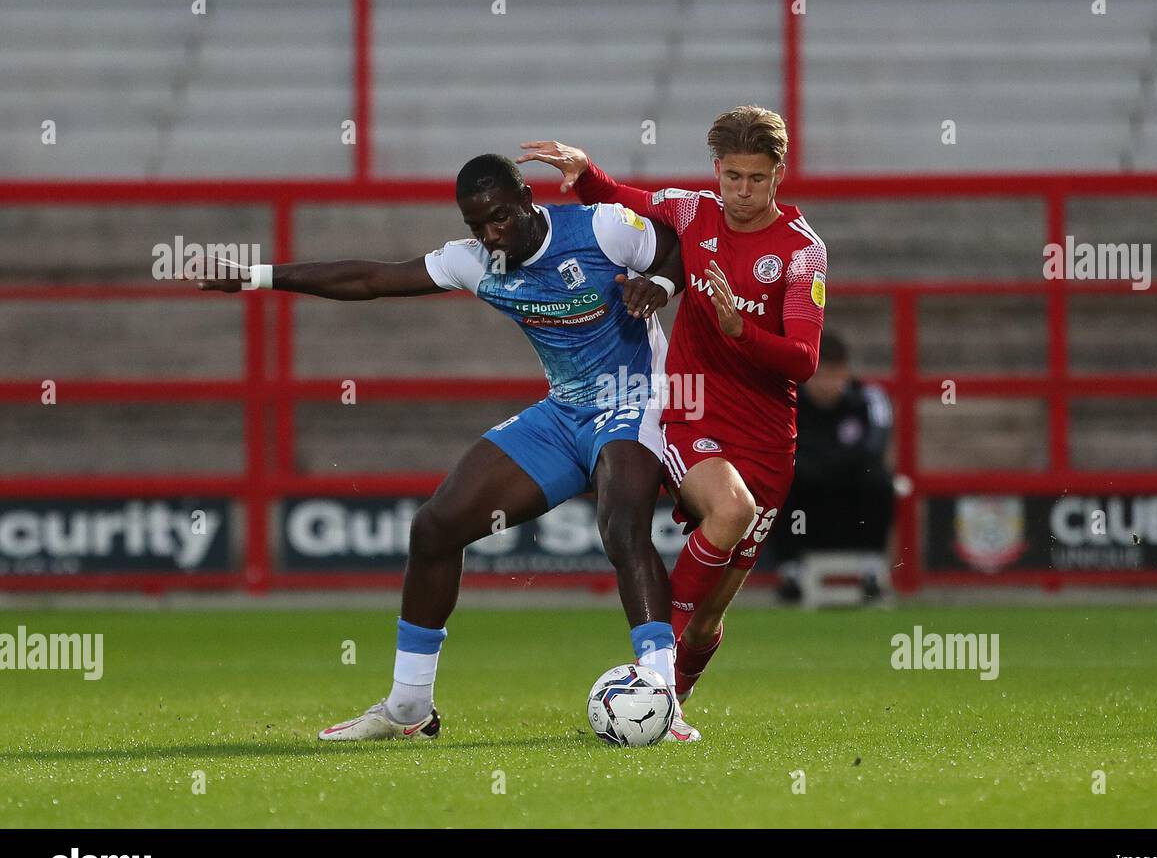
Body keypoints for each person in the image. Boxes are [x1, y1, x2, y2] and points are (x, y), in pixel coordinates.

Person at [196, 154, 687, 741]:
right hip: (563, 411)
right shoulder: (472, 261)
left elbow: (677, 243)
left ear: (528, 197)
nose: (491, 234)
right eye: (476, 223)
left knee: (622, 527)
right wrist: (257, 275)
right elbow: (370, 279)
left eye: (500, 217)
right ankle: (408, 709)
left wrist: (658, 283)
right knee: (434, 527)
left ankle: (663, 701)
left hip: (635, 398)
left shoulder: (600, 227)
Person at [519, 105, 827, 741]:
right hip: (689, 406)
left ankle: (668, 705)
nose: (741, 191)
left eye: (756, 178)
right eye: (732, 175)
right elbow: (624, 199)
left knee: (710, 620)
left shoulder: (802, 253)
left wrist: (744, 332)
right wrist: (584, 171)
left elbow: (804, 360)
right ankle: (651, 675)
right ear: (717, 169)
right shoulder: (694, 211)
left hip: (769, 435)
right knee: (730, 510)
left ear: (779, 176)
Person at [769, 329, 895, 602]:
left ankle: (872, 569)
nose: (826, 383)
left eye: (833, 374)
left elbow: (873, 449)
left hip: (852, 508)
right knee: (780, 479)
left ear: (845, 372)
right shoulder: (787, 402)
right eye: (819, 375)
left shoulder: (868, 400)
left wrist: (827, 462)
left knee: (879, 479)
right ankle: (790, 571)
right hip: (807, 510)